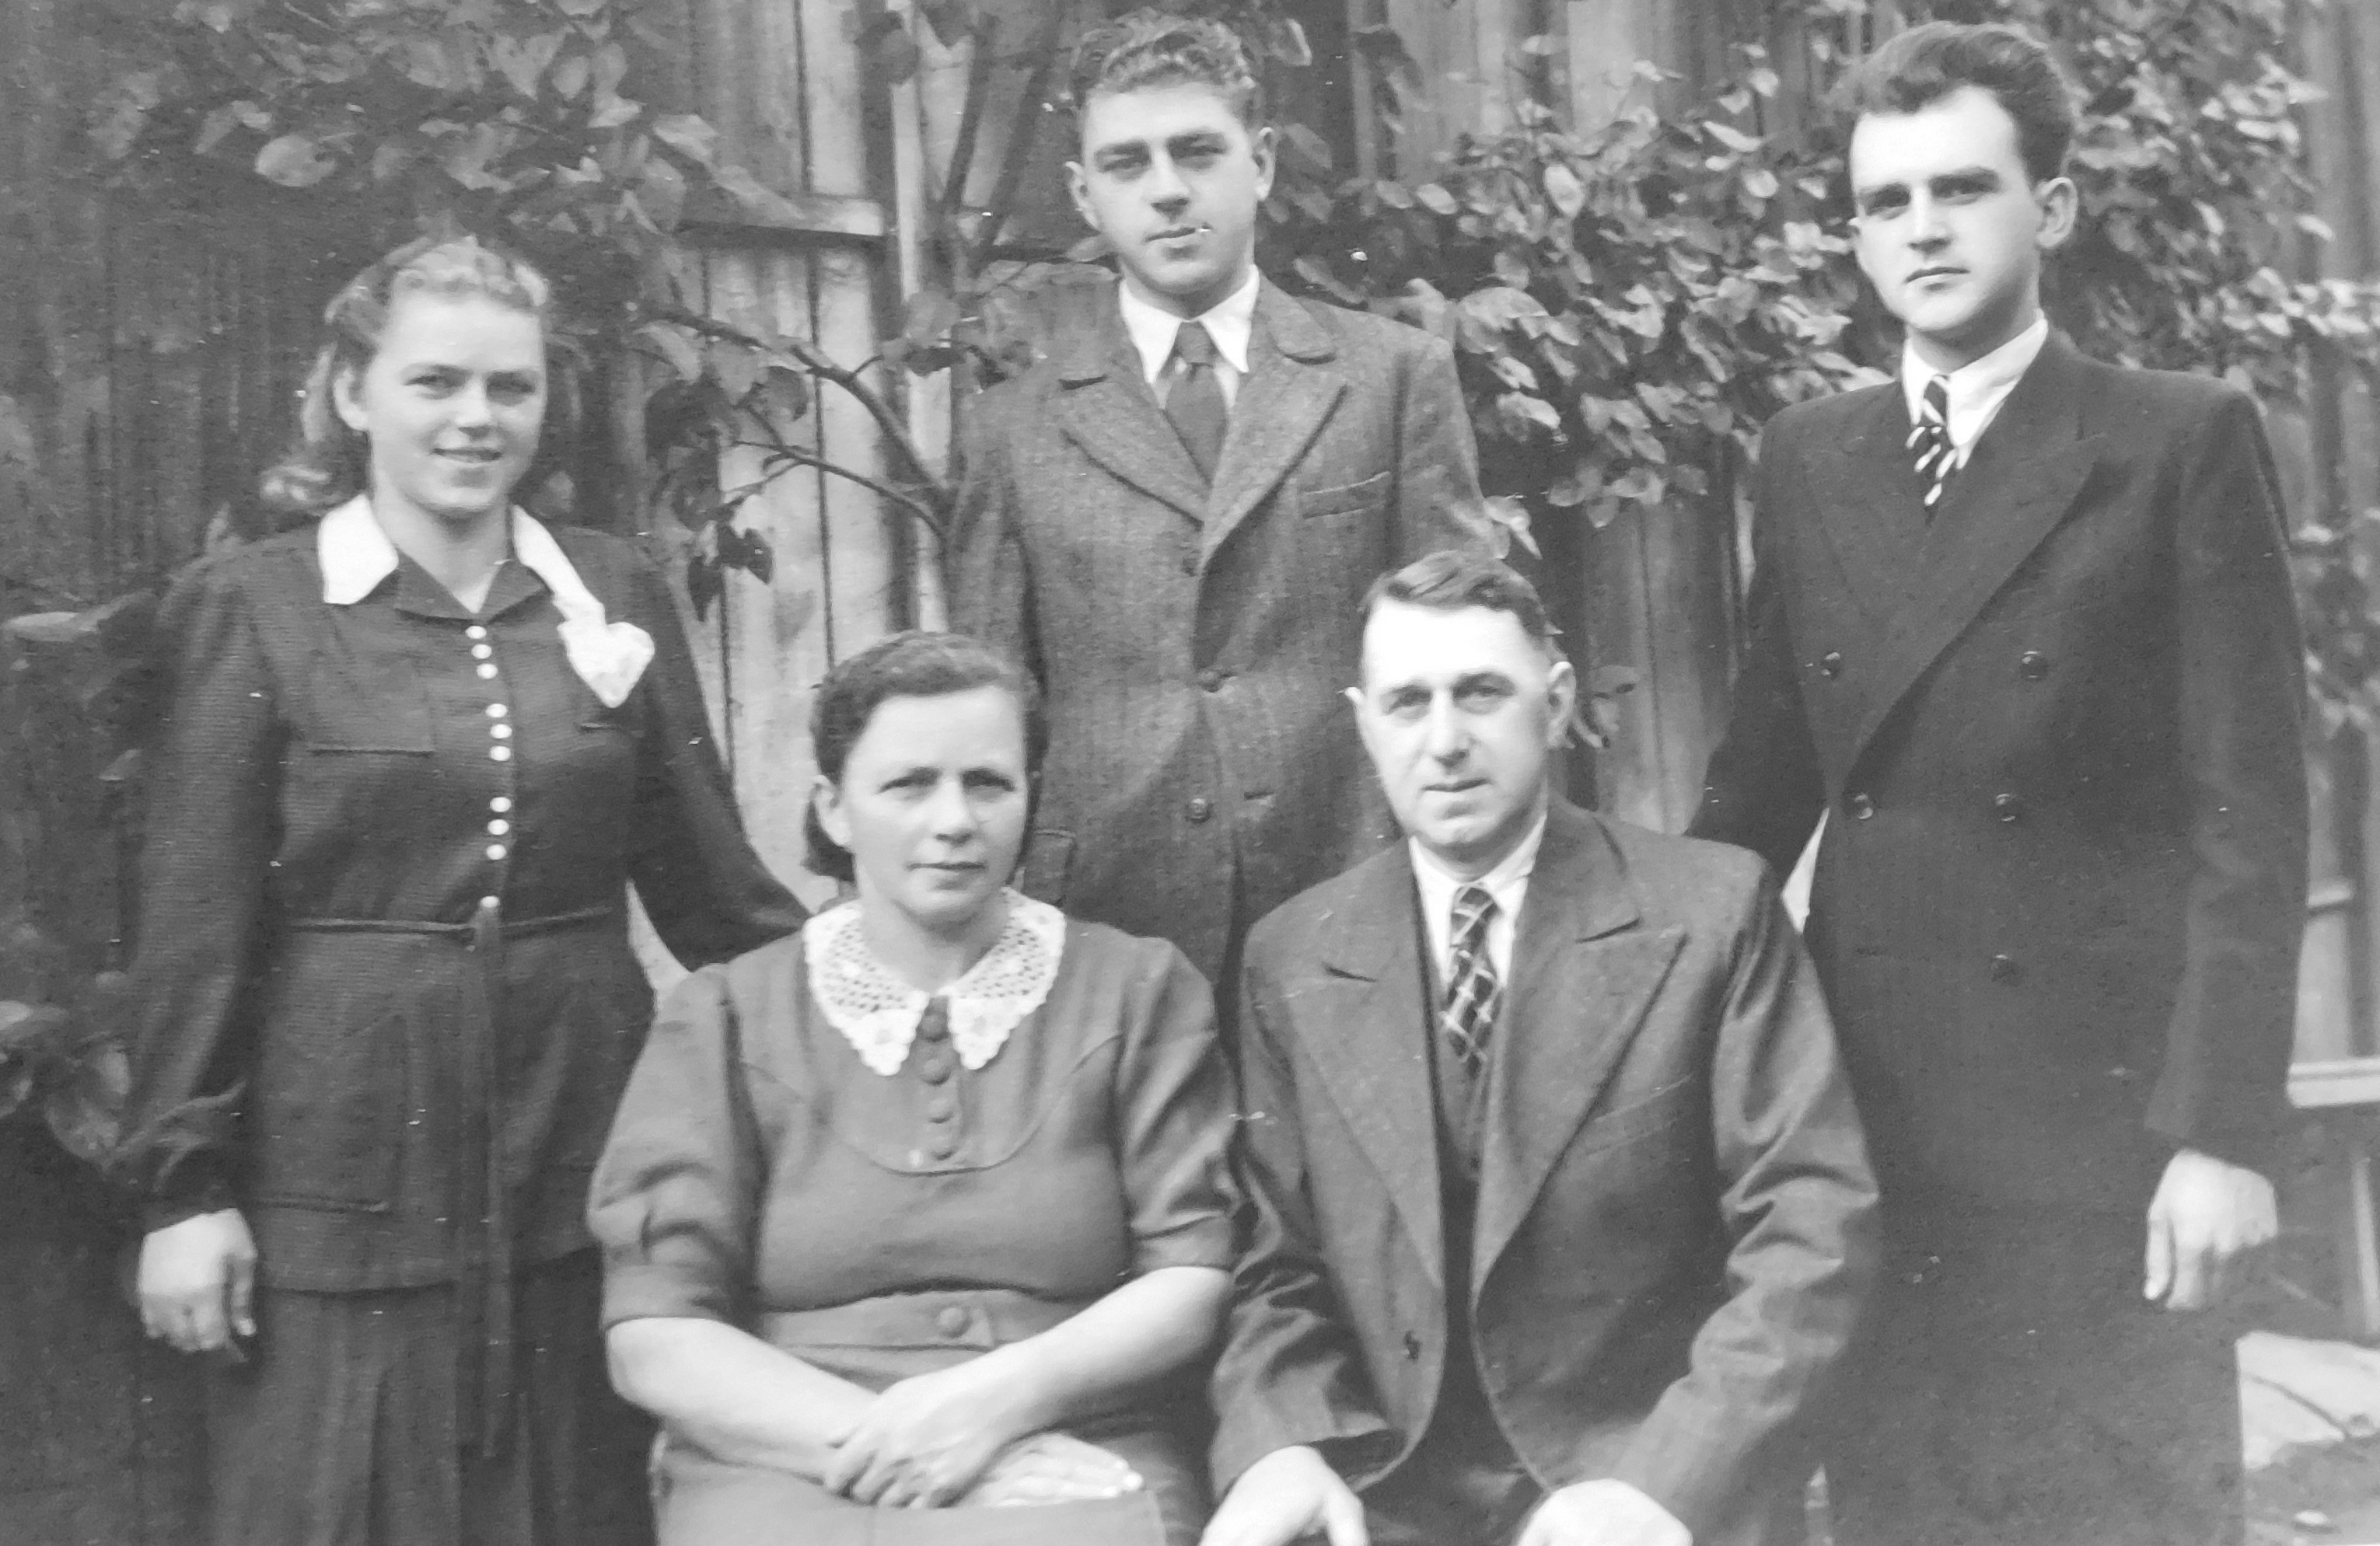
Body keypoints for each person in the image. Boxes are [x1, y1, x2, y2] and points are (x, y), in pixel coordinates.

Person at [1689, 22, 2308, 1546]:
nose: (1923, 228)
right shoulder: (1807, 457)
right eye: (1885, 202)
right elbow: (1752, 798)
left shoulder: (2175, 439)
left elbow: (2249, 817)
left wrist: (2222, 1130)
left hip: (2106, 1147)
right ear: (1854, 235)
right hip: (1878, 1137)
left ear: (2054, 205)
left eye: (1962, 188)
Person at [112, 233, 806, 1546]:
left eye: (511, 386)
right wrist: (182, 1190)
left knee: (579, 1495)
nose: (476, 417)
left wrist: (893, 1010)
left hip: (578, 1128)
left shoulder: (610, 587)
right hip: (341, 1153)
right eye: (435, 381)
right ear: (351, 393)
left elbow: (716, 888)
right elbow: (194, 924)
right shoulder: (253, 604)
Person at [1205, 551, 1878, 1546]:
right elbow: (1273, 1265)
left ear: (1555, 704)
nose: (1444, 741)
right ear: (1363, 725)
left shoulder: (1711, 911)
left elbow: (1810, 1234)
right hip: (1389, 1490)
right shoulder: (1294, 956)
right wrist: (1285, 1446)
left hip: (1641, 1485)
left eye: (1481, 693)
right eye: (1407, 703)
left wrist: (1661, 1486)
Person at [589, 629, 1237, 1546]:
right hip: (788, 1456)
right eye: (908, 785)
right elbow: (655, 1336)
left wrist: (995, 1408)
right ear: (834, 809)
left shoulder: (1135, 989)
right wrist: (909, 1446)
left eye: (988, 783)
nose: (954, 820)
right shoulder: (727, 1014)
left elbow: (1192, 1274)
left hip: (1073, 1442)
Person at [946, 9, 1486, 993]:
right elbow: (991, 713)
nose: (1166, 189)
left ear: (1262, 162)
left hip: (1354, 893)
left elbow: (1465, 658)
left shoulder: (1391, 377)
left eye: (1197, 151)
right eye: (1126, 163)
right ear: (1083, 192)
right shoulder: (1012, 429)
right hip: (1110, 926)